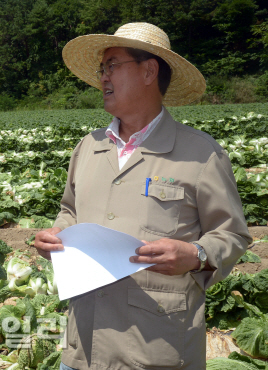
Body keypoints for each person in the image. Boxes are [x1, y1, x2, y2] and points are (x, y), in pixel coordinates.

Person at [34, 23, 251, 369]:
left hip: (157, 347)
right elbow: (69, 210)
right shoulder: (89, 147)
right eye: (102, 69)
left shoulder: (200, 153)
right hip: (83, 347)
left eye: (112, 66)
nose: (103, 78)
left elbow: (233, 233)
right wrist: (57, 235)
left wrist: (196, 254)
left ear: (149, 70)